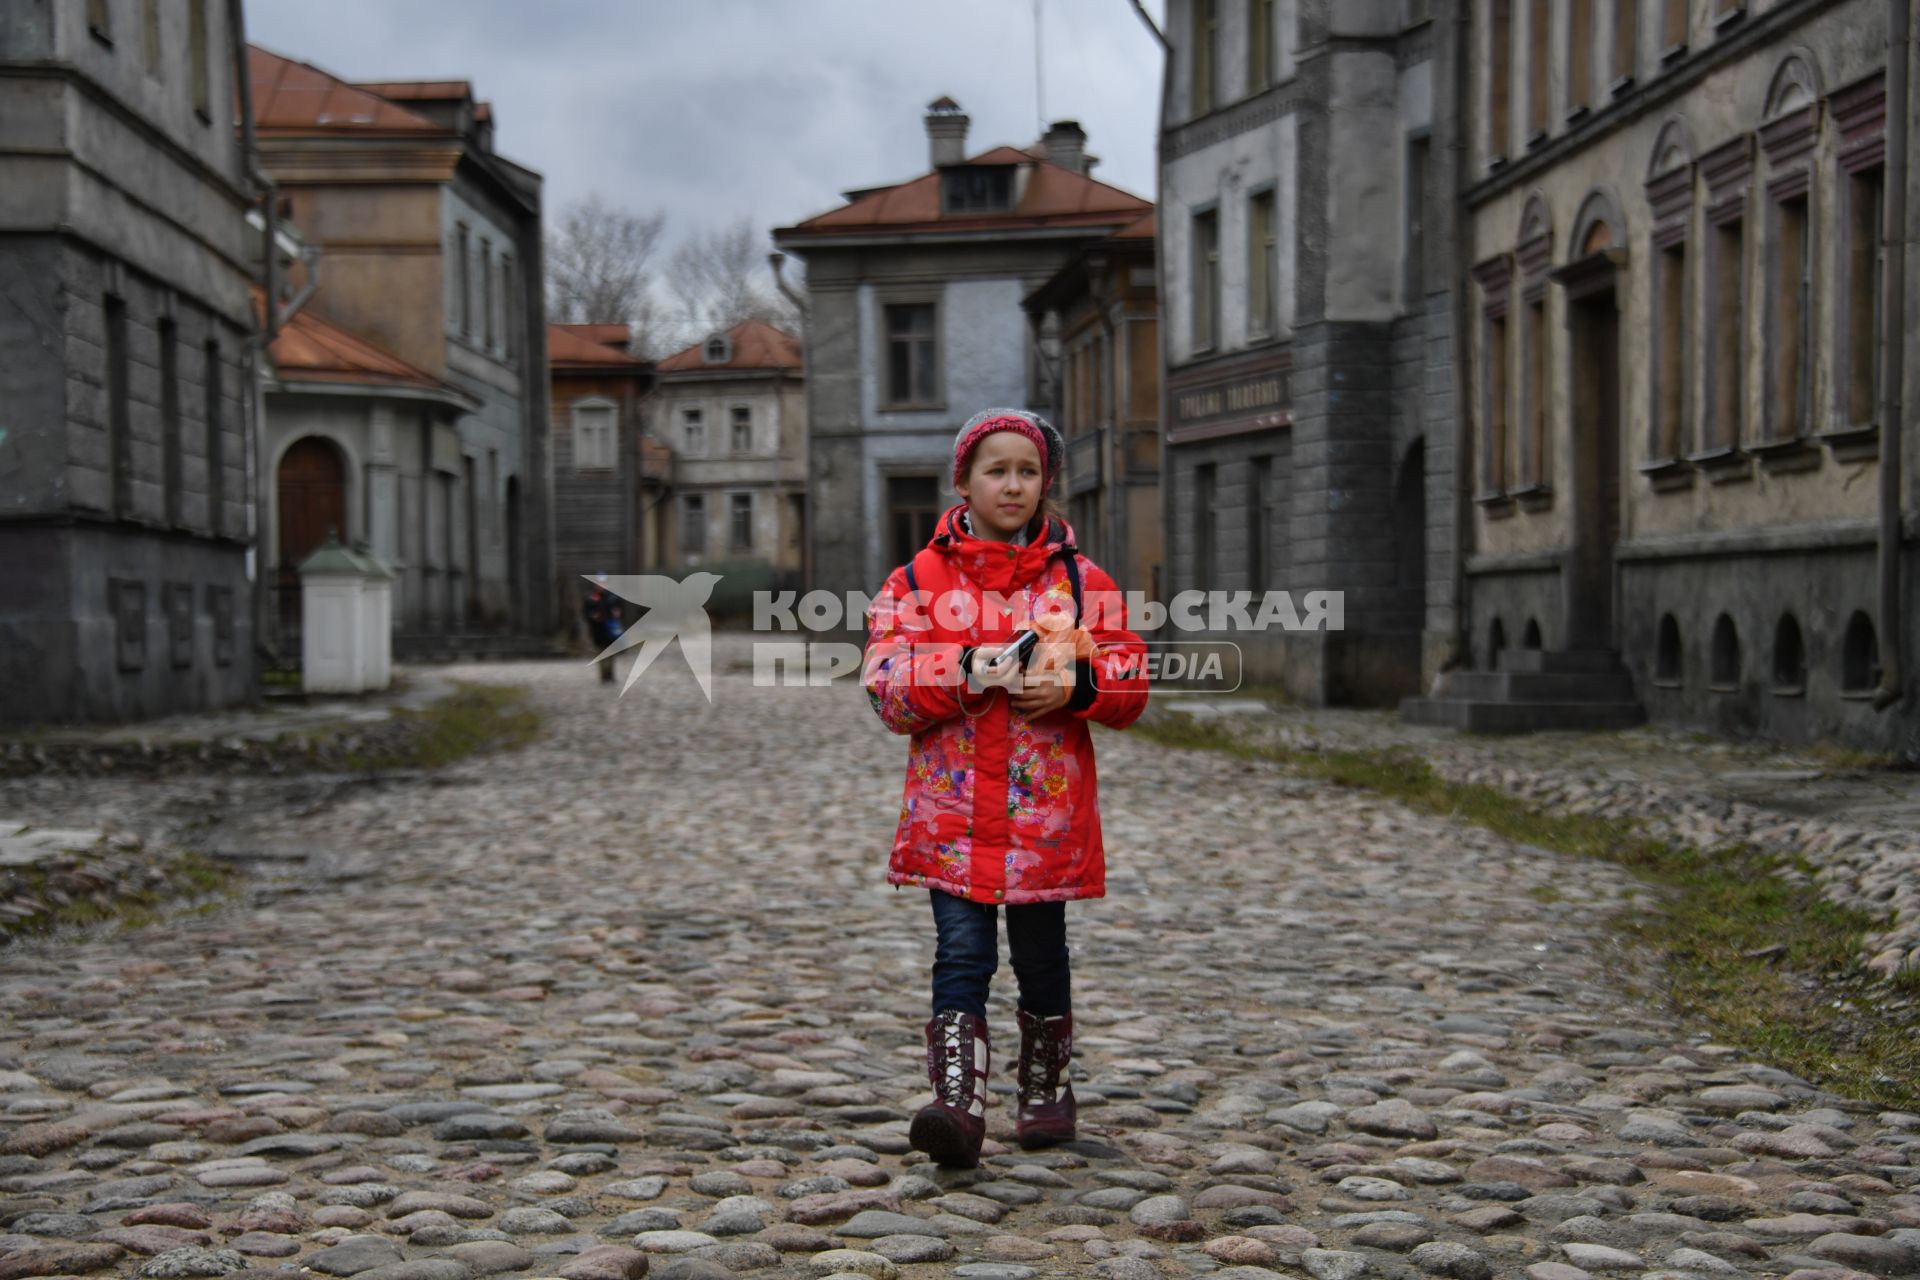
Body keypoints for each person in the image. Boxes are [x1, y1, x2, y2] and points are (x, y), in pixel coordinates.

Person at [861, 408, 1148, 1169]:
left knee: (1042, 954)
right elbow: (885, 683)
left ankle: (1046, 1090)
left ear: (1045, 484)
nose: (1013, 485)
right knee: (960, 954)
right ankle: (956, 1104)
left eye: (1028, 471)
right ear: (963, 481)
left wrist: (1075, 686)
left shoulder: (1083, 584)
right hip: (950, 816)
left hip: (1042, 819)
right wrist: (963, 671)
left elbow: (1130, 677)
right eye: (997, 470)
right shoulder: (918, 581)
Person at [581, 576, 624, 684]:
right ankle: (603, 675)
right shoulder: (591, 598)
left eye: (604, 583)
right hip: (598, 629)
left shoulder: (612, 597)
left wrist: (617, 613)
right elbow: (586, 613)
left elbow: (619, 609)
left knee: (611, 653)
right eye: (599, 583)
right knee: (600, 652)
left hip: (611, 628)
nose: (601, 586)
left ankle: (610, 673)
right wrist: (592, 616)